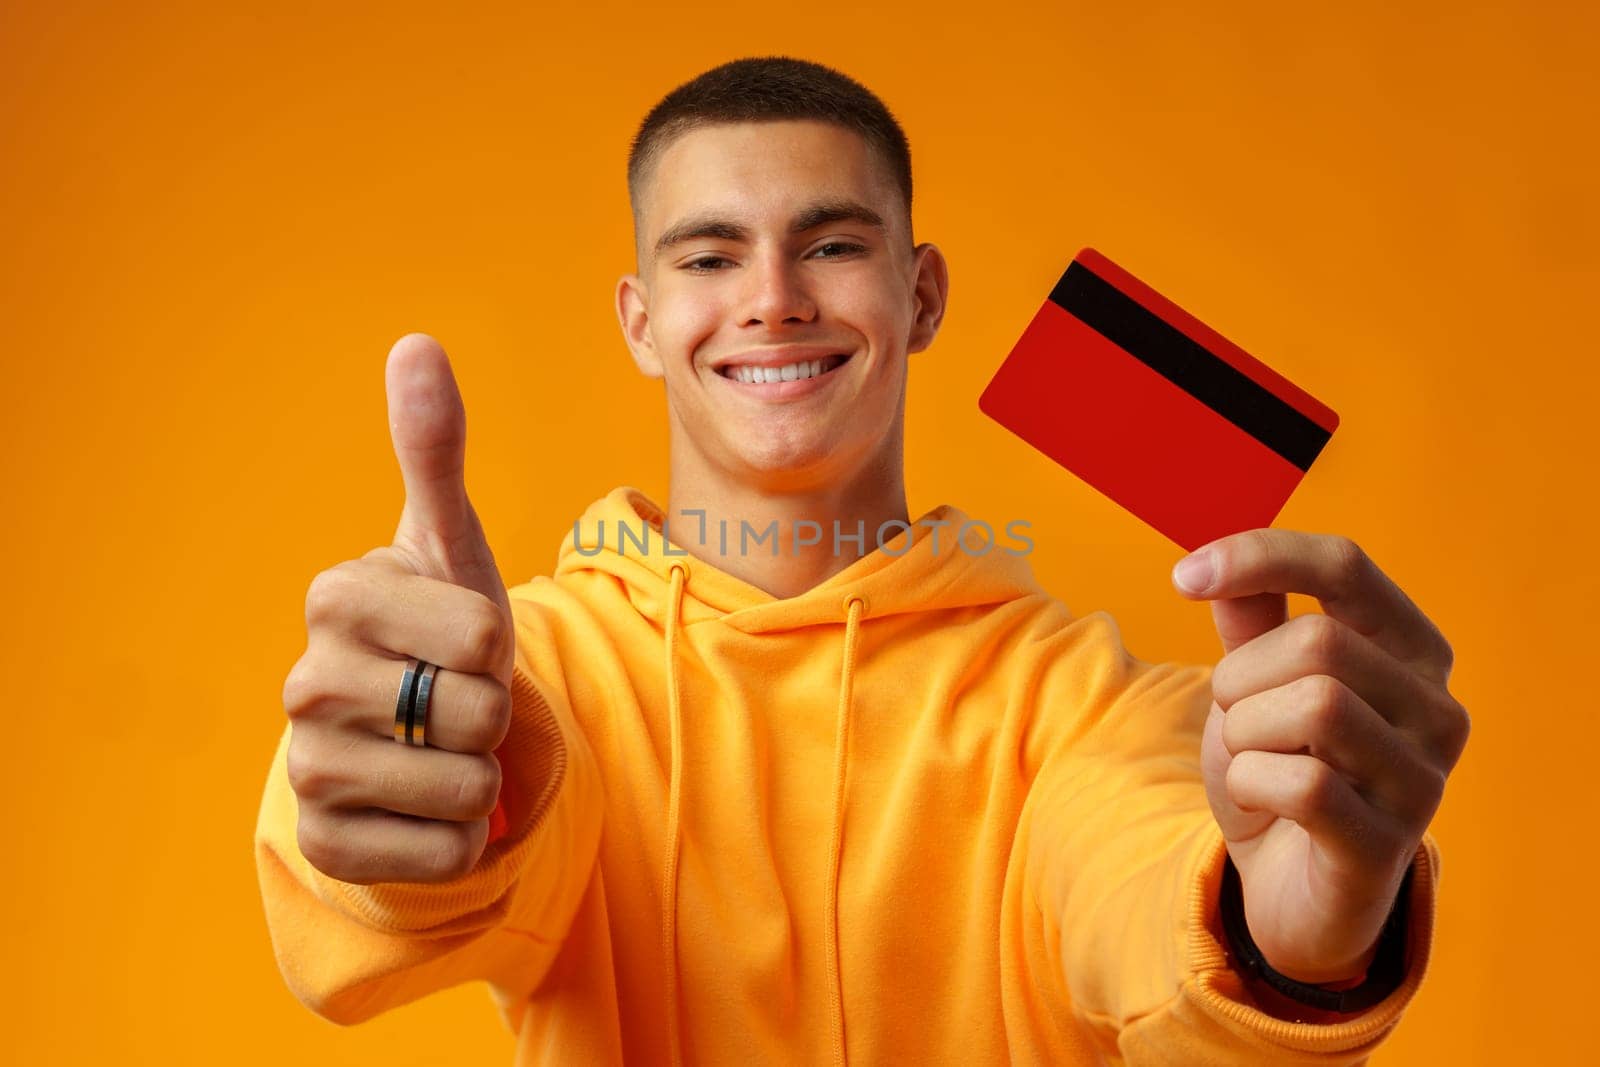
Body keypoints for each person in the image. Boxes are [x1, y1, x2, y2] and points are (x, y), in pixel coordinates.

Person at [254, 56, 1470, 1065]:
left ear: (922, 294)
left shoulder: (1084, 708)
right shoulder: (534, 675)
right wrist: (388, 802)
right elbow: (388, 921)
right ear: (639, 319)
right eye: (709, 256)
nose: (773, 299)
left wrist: (1284, 932)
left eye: (830, 244)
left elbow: (1142, 888)